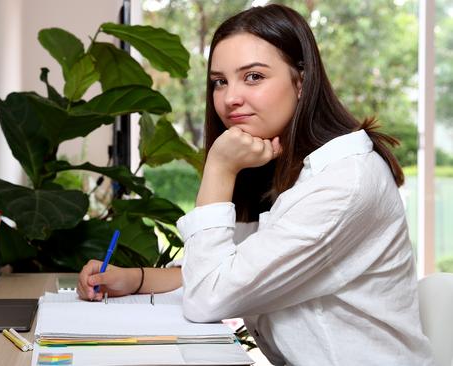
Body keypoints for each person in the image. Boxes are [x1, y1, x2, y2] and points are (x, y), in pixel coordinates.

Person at [77, 4, 434, 365]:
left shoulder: (345, 183)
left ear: (302, 81)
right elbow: (227, 269)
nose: (230, 97)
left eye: (253, 77)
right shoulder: (282, 164)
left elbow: (208, 297)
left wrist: (218, 168)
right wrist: (135, 280)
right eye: (220, 81)